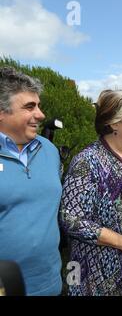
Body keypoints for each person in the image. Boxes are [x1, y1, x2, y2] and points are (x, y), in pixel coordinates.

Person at [60, 89, 122, 296]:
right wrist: (120, 241)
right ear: (114, 123)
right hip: (101, 274)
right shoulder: (88, 162)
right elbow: (70, 219)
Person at [0, 66, 62, 295]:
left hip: (49, 284)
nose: (41, 114)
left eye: (38, 105)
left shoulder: (49, 150)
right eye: (29, 107)